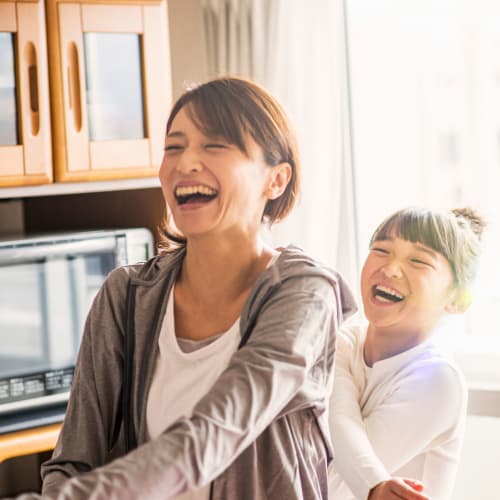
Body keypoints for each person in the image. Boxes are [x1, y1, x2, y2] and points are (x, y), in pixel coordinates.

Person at [34, 77, 356, 500]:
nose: (185, 162)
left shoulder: (304, 293)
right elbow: (72, 462)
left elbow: (211, 436)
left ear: (275, 180)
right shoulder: (127, 295)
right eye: (174, 147)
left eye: (215, 145)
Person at [328, 206, 485, 500]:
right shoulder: (345, 341)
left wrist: (333, 374)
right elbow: (337, 418)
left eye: (418, 261)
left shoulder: (438, 381)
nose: (390, 269)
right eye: (381, 250)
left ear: (457, 301)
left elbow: (329, 485)